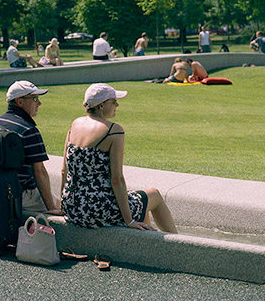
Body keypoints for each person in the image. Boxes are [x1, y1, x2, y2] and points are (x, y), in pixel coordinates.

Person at [60, 83, 177, 232]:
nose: (117, 104)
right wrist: (129, 221)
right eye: (113, 101)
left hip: (73, 208)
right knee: (154, 194)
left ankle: (147, 241)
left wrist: (61, 208)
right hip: (98, 210)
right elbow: (117, 180)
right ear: (101, 106)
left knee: (140, 201)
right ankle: (180, 248)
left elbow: (64, 170)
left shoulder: (75, 124)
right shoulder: (113, 131)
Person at [0, 80, 58, 213]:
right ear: (20, 102)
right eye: (34, 98)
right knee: (64, 207)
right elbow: (40, 172)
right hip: (21, 194)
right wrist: (52, 208)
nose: (39, 103)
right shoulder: (28, 130)